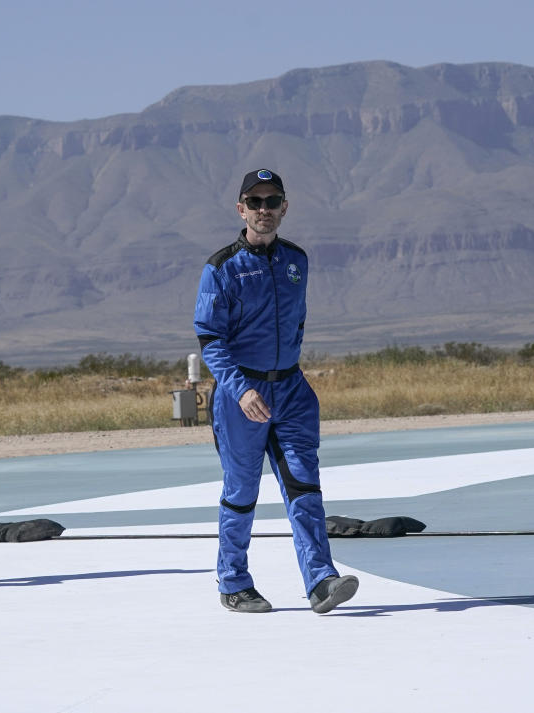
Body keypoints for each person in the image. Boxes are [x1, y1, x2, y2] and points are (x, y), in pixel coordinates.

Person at [194, 169, 359, 614]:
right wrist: (241, 390)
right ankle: (234, 581)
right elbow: (210, 339)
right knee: (242, 490)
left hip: (291, 392)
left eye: (272, 201)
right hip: (239, 397)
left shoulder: (297, 261)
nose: (263, 209)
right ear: (240, 208)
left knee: (305, 486)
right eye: (255, 201)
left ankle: (321, 581)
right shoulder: (221, 267)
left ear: (285, 207)